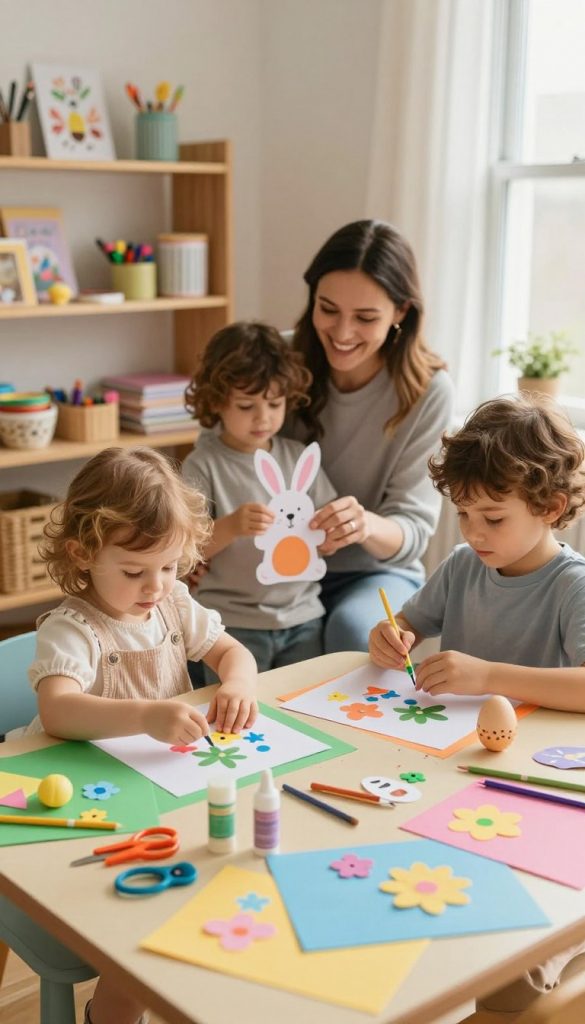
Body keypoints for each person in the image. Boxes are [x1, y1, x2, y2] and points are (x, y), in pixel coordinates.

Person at [368, 393, 585, 1015]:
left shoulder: (572, 586)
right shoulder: (464, 565)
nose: (473, 532)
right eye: (463, 514)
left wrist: (488, 675)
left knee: (506, 967)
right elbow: (407, 621)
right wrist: (391, 636)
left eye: (493, 517)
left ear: (549, 507)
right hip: (449, 771)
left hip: (536, 784)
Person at [27, 446, 258, 1024]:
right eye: (135, 571)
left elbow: (233, 652)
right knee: (142, 944)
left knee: (218, 892)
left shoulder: (173, 603)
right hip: (85, 807)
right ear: (83, 554)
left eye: (170, 566)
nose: (156, 585)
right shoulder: (73, 628)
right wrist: (146, 715)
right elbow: (57, 711)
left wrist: (237, 683)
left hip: (160, 793)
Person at [286, 218, 454, 654]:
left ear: (401, 312)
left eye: (365, 317)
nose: (342, 333)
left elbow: (413, 531)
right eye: (328, 309)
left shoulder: (426, 391)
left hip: (373, 572)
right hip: (270, 568)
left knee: (353, 630)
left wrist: (362, 525)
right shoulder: (275, 363)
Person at [182, 320, 337, 674]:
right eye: (246, 405)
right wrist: (232, 526)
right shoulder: (203, 465)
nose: (263, 417)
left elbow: (326, 524)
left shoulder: (298, 455)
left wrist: (328, 535)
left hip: (303, 617)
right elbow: (184, 552)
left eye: (274, 403)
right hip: (230, 626)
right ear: (217, 403)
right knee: (233, 716)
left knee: (299, 710)